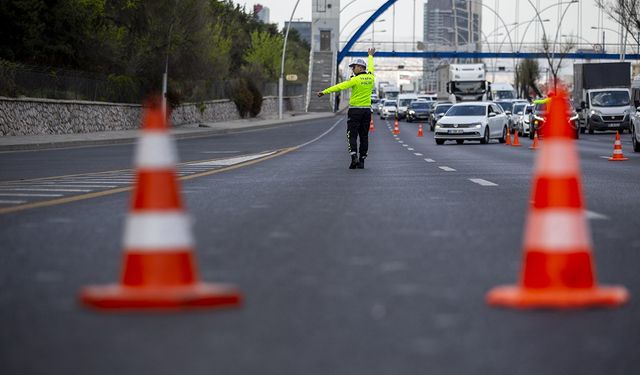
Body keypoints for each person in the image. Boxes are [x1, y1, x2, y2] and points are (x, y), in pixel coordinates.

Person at [318, 48, 376, 169]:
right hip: (366, 111)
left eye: (353, 67)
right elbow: (371, 67)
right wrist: (370, 55)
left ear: (360, 67)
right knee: (364, 136)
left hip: (355, 111)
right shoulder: (371, 78)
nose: (352, 69)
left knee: (352, 135)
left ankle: (354, 156)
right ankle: (362, 160)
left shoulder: (354, 80)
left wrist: (324, 92)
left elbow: (340, 86)